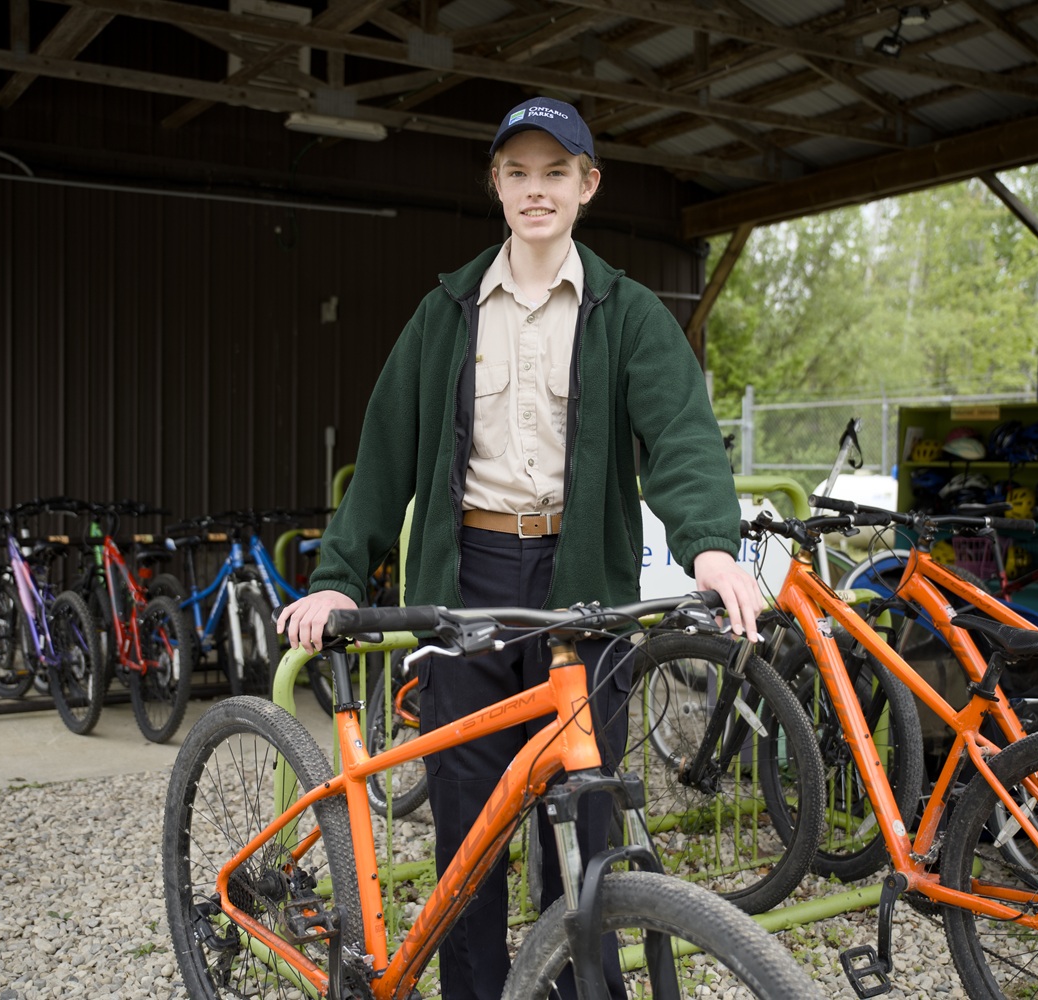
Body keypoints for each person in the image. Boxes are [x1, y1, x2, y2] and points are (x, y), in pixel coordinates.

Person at [278, 95, 763, 1000]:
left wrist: (712, 550)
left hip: (583, 583)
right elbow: (384, 454)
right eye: (517, 172)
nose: (536, 190)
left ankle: (579, 988)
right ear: (496, 186)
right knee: (471, 829)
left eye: (555, 172)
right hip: (471, 582)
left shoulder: (626, 311)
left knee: (581, 821)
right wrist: (341, 580)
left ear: (588, 185)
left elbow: (683, 438)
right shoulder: (447, 310)